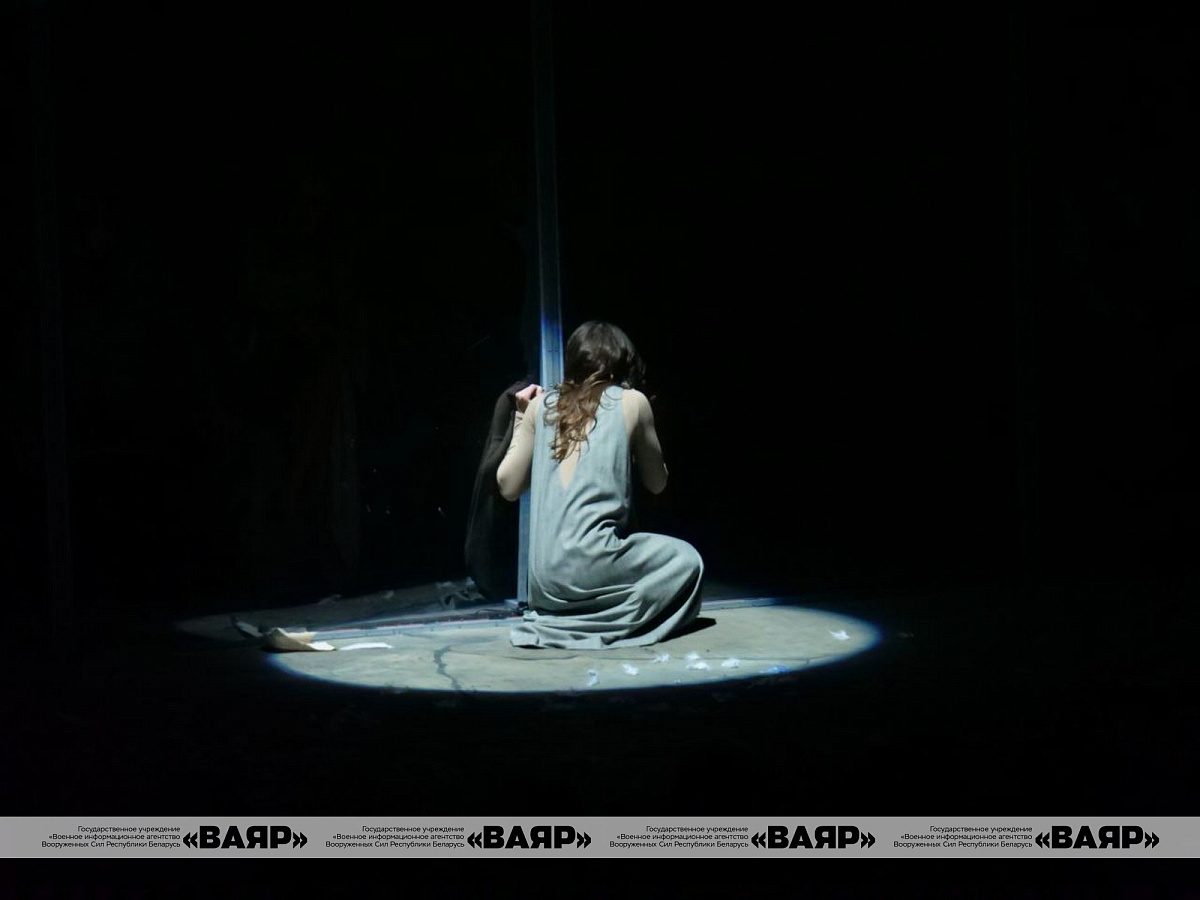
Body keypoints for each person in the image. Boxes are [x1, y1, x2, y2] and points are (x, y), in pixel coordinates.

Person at [496, 321, 703, 649]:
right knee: (687, 560)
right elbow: (657, 483)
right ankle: (605, 621)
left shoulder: (540, 405)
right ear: (623, 362)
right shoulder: (632, 401)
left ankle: (570, 619)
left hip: (545, 584)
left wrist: (522, 416)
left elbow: (507, 486)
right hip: (593, 565)